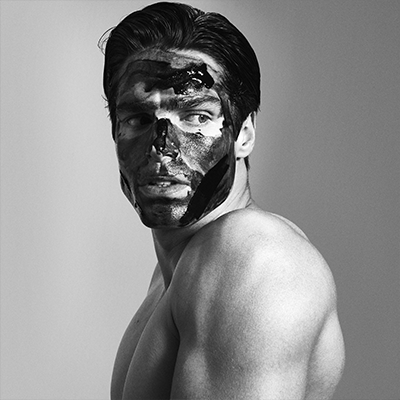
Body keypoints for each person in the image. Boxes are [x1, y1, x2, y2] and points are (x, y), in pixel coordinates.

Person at [99, 2, 345, 399]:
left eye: (196, 117)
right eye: (139, 120)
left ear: (244, 134)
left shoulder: (253, 256)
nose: (162, 148)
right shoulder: (174, 272)